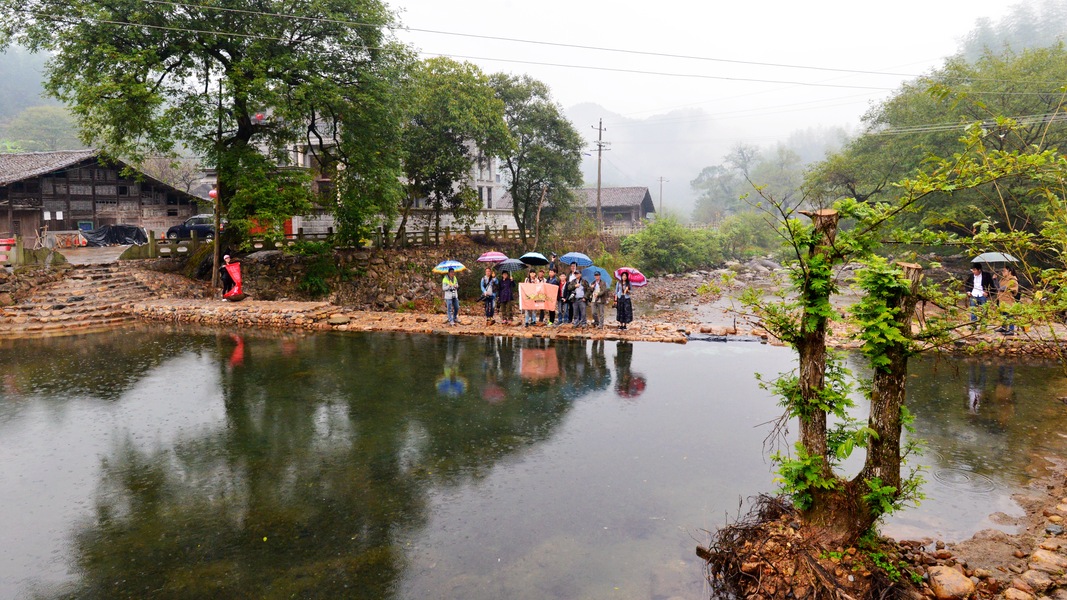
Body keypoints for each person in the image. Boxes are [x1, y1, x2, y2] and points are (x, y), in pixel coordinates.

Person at [995, 265, 1019, 335]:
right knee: (1003, 314)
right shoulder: (1003, 279)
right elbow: (998, 287)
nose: (1002, 272)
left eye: (1004, 271)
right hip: (1002, 299)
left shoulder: (1013, 280)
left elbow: (1003, 288)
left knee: (1010, 314)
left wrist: (1002, 288)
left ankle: (1011, 330)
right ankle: (1004, 327)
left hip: (1008, 300)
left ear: (1009, 272)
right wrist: (995, 279)